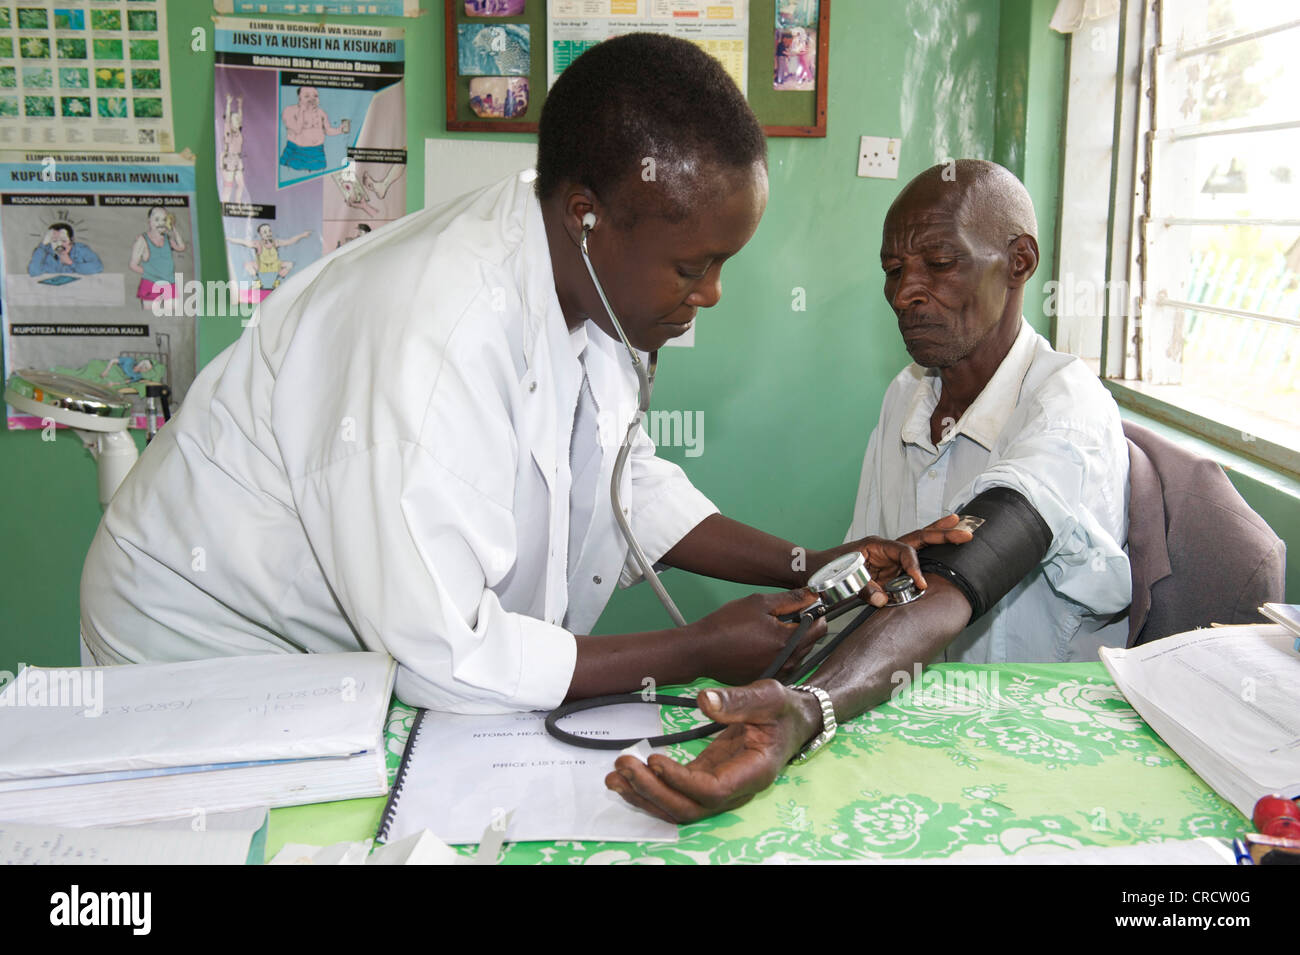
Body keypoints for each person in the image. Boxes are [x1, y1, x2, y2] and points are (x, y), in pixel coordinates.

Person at [80, 35, 963, 713]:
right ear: (588, 215)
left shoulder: (589, 281)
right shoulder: (430, 335)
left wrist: (809, 563)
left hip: (350, 644)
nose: (714, 292)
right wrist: (693, 647)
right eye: (693, 265)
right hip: (207, 638)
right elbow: (448, 654)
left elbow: (625, 482)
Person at [606, 159, 1132, 822]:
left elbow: (961, 571)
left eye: (939, 262)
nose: (907, 291)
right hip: (907, 721)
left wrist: (810, 706)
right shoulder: (909, 396)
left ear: (1019, 259)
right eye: (892, 270)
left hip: (1031, 753)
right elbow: (874, 586)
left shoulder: (1068, 408)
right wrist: (794, 641)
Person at [280, 86, 349, 173]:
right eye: (307, 96)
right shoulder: (289, 111)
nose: (312, 99)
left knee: (316, 177)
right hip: (296, 151)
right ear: (299, 97)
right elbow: (297, 130)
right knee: (294, 175)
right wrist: (302, 111)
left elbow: (327, 131)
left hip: (317, 152)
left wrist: (339, 130)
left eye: (315, 96)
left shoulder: (321, 113)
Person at [129, 206, 186, 308]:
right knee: (150, 316)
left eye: (164, 219)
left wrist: (173, 228)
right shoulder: (142, 240)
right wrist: (153, 273)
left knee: (172, 315)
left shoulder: (167, 239)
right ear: (149, 221)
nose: (160, 223)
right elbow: (133, 265)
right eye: (156, 219)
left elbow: (181, 247)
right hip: (150, 284)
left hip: (169, 283)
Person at [28, 223, 103, 276]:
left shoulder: (81, 249)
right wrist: (43, 244)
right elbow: (33, 272)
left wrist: (71, 263)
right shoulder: (44, 251)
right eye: (54, 241)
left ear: (71, 240)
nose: (59, 245)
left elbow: (98, 267)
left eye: (63, 240)